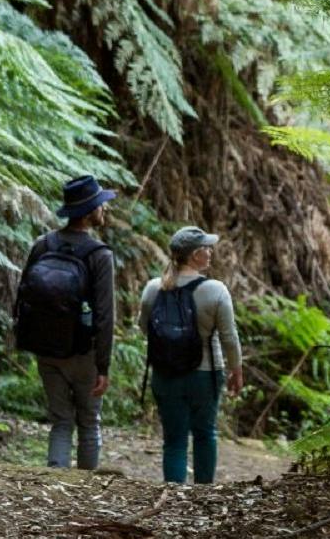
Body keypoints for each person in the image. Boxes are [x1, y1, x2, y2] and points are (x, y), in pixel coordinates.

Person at [14, 175, 117, 470]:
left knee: (60, 421)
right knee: (88, 422)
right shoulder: (99, 255)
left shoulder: (42, 244)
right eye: (101, 206)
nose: (104, 210)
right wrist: (104, 365)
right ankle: (84, 494)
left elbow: (24, 296)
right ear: (89, 213)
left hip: (46, 348)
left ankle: (56, 484)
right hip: (84, 353)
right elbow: (105, 315)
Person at [138, 226, 244, 484]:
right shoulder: (216, 290)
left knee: (173, 440)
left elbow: (144, 327)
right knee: (205, 433)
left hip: (165, 373)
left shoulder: (154, 288)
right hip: (205, 374)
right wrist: (236, 369)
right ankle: (203, 495)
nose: (210, 252)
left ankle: (173, 497)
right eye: (206, 248)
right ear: (195, 255)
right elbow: (229, 337)